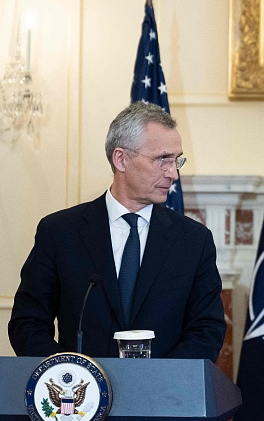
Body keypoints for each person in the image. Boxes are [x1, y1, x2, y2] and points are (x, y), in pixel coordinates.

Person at [9, 102, 225, 362]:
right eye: (162, 160)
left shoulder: (194, 240)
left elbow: (207, 331)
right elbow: (28, 322)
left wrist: (161, 380)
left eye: (176, 160)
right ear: (121, 159)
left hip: (164, 397)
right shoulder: (60, 232)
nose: (174, 174)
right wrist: (70, 373)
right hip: (79, 396)